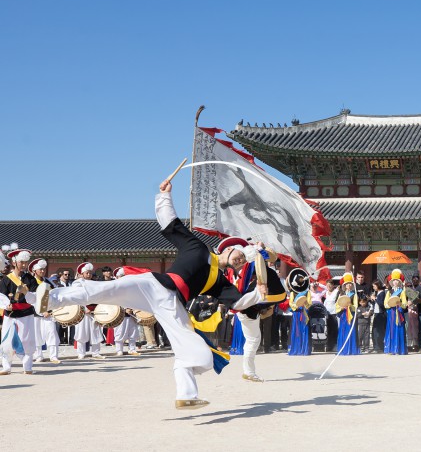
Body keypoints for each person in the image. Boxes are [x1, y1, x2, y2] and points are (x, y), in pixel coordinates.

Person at [36, 175, 269, 409]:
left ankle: (186, 395)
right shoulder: (197, 246)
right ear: (228, 248)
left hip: (172, 305)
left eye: (243, 261)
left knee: (197, 352)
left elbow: (238, 303)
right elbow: (171, 225)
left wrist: (259, 294)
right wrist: (165, 195)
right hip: (155, 284)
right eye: (240, 254)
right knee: (107, 289)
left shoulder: (219, 281)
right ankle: (51, 300)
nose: (240, 260)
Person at [219, 236, 280, 382]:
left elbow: (270, 258)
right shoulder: (241, 268)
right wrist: (259, 250)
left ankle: (249, 372)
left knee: (252, 339)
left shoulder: (234, 269)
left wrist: (261, 249)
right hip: (246, 307)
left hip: (246, 307)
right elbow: (264, 259)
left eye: (241, 256)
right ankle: (249, 372)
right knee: (253, 340)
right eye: (237, 257)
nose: (239, 260)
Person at [0, 248, 37, 374]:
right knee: (7, 339)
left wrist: (26, 293)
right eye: (22, 262)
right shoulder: (6, 279)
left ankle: (27, 366)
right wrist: (6, 305)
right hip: (10, 313)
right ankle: (6, 366)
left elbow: (34, 297)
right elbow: (1, 295)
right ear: (14, 262)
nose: (24, 265)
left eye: (26, 262)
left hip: (26, 313)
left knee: (27, 340)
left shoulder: (30, 279)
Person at [29, 258, 61, 364]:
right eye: (40, 269)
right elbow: (32, 299)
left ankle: (54, 356)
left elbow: (54, 295)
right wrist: (42, 311)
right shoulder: (31, 282)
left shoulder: (48, 281)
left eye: (44, 269)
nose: (42, 271)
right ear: (35, 270)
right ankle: (38, 356)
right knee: (37, 334)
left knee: (52, 333)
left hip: (49, 312)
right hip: (35, 313)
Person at [72, 262, 106, 360]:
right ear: (82, 273)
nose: (89, 274)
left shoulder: (94, 283)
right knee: (81, 332)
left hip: (94, 311)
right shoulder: (77, 284)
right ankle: (81, 353)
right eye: (87, 273)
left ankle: (96, 352)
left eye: (90, 273)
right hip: (82, 311)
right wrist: (84, 308)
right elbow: (75, 298)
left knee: (96, 332)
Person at [384, 269, 408, 355]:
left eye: (397, 280)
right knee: (391, 329)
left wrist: (400, 304)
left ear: (400, 282)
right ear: (391, 282)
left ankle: (399, 349)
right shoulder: (389, 292)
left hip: (399, 312)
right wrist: (390, 305)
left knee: (399, 329)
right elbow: (385, 304)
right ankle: (391, 349)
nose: (395, 282)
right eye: (394, 280)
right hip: (391, 312)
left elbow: (405, 304)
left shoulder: (402, 292)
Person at [335, 273, 359, 355]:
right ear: (344, 285)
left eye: (350, 284)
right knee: (343, 330)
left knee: (350, 331)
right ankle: (343, 349)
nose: (349, 285)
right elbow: (337, 305)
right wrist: (341, 308)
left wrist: (350, 306)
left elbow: (356, 306)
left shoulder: (354, 294)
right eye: (347, 284)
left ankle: (351, 349)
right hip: (343, 315)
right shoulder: (341, 294)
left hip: (350, 315)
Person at [288, 284, 310, 356]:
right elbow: (290, 303)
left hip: (304, 313)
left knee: (303, 330)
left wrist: (305, 304)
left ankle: (304, 349)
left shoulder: (307, 292)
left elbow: (309, 303)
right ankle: (296, 349)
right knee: (296, 330)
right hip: (296, 313)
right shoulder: (293, 292)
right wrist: (296, 306)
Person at [370, 280, 386, 353]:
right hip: (376, 313)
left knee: (379, 331)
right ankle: (376, 346)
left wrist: (375, 298)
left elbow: (382, 304)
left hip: (380, 314)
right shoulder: (377, 293)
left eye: (374, 286)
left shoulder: (382, 293)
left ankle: (379, 347)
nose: (373, 287)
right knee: (374, 331)